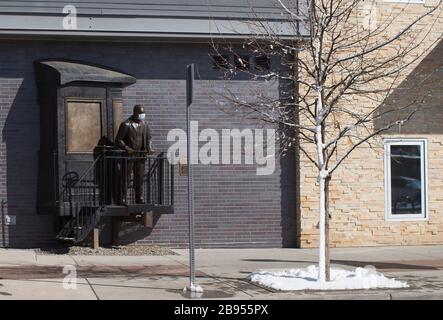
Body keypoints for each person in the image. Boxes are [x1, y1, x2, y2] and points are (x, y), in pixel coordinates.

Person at [115, 105, 154, 204]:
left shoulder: (145, 125)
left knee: (139, 178)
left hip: (140, 156)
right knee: (126, 178)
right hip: (129, 156)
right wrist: (126, 148)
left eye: (143, 113)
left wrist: (149, 148)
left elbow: (149, 138)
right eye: (141, 114)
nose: (143, 115)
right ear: (135, 113)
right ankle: (123, 198)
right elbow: (118, 140)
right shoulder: (126, 124)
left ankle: (139, 198)